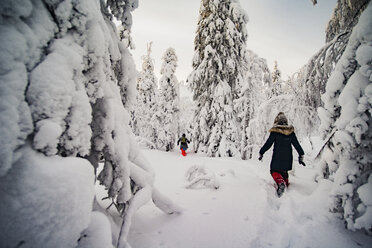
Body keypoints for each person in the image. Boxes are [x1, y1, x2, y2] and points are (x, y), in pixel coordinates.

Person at [259, 112, 305, 197]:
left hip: (277, 157)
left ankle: (280, 183)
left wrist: (261, 152)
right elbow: (297, 145)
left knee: (273, 170)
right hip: (288, 158)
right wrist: (301, 155)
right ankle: (286, 184)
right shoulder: (290, 132)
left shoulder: (275, 132)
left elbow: (268, 144)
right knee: (284, 171)